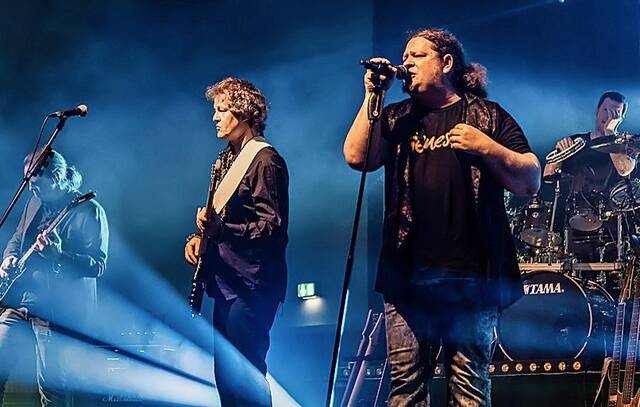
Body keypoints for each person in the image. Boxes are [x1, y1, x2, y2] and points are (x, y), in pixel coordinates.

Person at [343, 28, 540, 406]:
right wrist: (373, 95)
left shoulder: (487, 115)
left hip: (470, 277)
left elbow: (530, 179)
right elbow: (356, 157)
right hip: (407, 275)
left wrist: (487, 146)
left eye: (417, 55)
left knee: (468, 389)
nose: (406, 63)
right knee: (405, 389)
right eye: (405, 56)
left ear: (446, 63)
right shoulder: (396, 117)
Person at [184, 77, 288, 407]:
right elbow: (222, 222)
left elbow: (272, 228)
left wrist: (223, 230)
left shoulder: (265, 161)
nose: (214, 117)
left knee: (246, 380)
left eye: (222, 109)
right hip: (226, 284)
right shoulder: (225, 160)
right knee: (227, 382)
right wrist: (199, 239)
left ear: (243, 112)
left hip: (251, 285)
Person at [0, 150, 109, 406]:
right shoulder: (34, 203)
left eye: (36, 184)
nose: (31, 190)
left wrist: (58, 255)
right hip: (20, 300)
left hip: (55, 311)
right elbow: (17, 238)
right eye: (28, 183)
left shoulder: (88, 210)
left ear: (56, 178)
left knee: (52, 390)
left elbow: (98, 264)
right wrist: (8, 258)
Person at [543, 92, 634, 262]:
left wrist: (609, 133)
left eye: (615, 113)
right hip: (575, 223)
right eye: (606, 110)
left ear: (621, 118)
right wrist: (558, 156)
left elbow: (624, 170)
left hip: (613, 227)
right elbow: (548, 175)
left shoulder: (626, 145)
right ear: (597, 111)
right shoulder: (578, 142)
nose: (609, 116)